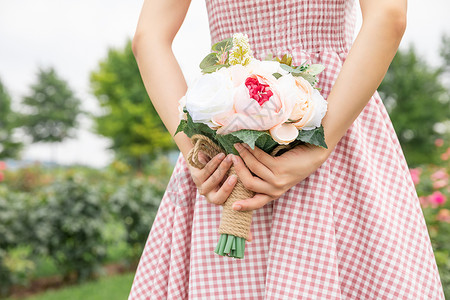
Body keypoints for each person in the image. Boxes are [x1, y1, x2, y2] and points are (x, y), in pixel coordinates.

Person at [129, 0, 445, 298]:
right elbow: (387, 16)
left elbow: (148, 39)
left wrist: (199, 153)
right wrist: (321, 144)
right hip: (331, 113)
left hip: (229, 125)